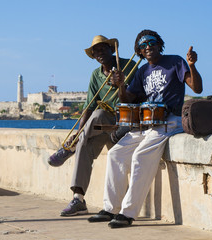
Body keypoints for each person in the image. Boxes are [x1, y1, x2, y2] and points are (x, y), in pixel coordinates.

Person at [87, 29, 203, 228]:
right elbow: (128, 99)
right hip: (147, 122)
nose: (147, 47)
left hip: (170, 120)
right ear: (139, 51)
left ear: (159, 44)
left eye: (151, 42)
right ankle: (110, 208)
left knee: (140, 157)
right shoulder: (142, 71)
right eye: (142, 45)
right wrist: (121, 85)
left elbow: (197, 88)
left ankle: (128, 213)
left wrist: (192, 66)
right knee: (116, 154)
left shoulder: (175, 62)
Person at [49, 35, 137, 216]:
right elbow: (88, 107)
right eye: (96, 52)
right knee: (84, 143)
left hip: (124, 122)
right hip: (102, 125)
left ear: (111, 50)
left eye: (103, 49)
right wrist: (78, 132)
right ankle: (78, 199)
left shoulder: (129, 66)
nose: (99, 54)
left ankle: (69, 148)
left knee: (98, 115)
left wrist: (121, 84)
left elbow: (136, 96)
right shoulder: (96, 75)